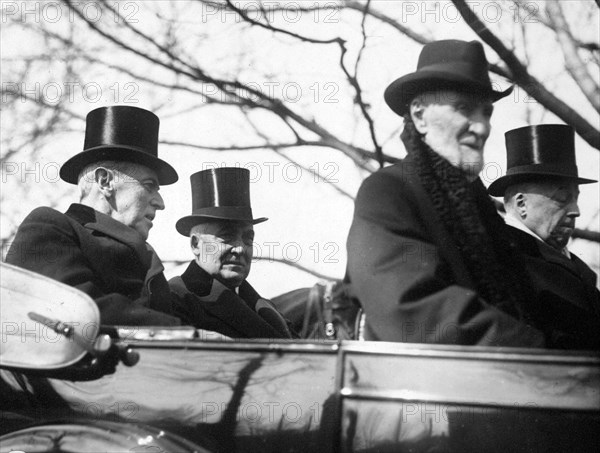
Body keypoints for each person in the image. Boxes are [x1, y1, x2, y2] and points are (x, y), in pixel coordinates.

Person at [346, 39, 545, 346]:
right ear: (420, 116)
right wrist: (539, 351)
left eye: (486, 112)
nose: (481, 128)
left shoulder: (483, 215)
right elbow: (411, 311)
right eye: (463, 109)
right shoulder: (388, 192)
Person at [5, 105, 181, 326]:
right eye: (149, 185)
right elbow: (77, 310)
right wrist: (183, 332)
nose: (160, 202)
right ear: (105, 182)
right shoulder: (50, 227)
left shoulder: (144, 255)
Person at [488, 124, 600, 349]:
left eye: (576, 197)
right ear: (521, 204)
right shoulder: (504, 260)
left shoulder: (579, 270)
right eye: (562, 198)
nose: (576, 210)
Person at [169, 167, 293, 338]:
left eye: (248, 238)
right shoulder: (176, 299)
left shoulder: (266, 309)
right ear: (196, 244)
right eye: (226, 237)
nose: (241, 248)